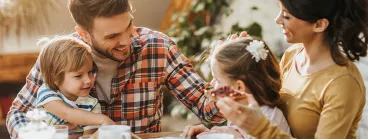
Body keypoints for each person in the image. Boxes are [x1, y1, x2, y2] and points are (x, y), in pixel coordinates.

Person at [6, 0, 226, 138]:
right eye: (112, 36)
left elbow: (210, 110)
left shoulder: (159, 47)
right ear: (84, 34)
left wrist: (230, 76)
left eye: (128, 26)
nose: (127, 41)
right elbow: (18, 114)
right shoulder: (59, 55)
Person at [216, 0, 368, 138]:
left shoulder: (343, 84)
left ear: (319, 25)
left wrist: (259, 128)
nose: (278, 20)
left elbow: (266, 127)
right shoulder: (293, 54)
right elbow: (270, 105)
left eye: (287, 16)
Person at [181, 38, 290, 138]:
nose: (212, 84)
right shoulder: (241, 111)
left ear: (239, 87)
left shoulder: (270, 119)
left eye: (217, 80)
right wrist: (209, 134)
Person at [35, 35, 115, 137]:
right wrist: (103, 119)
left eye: (90, 72)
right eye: (78, 76)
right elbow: (67, 113)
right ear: (55, 78)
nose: (88, 80)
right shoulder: (47, 92)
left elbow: (88, 136)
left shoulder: (92, 105)